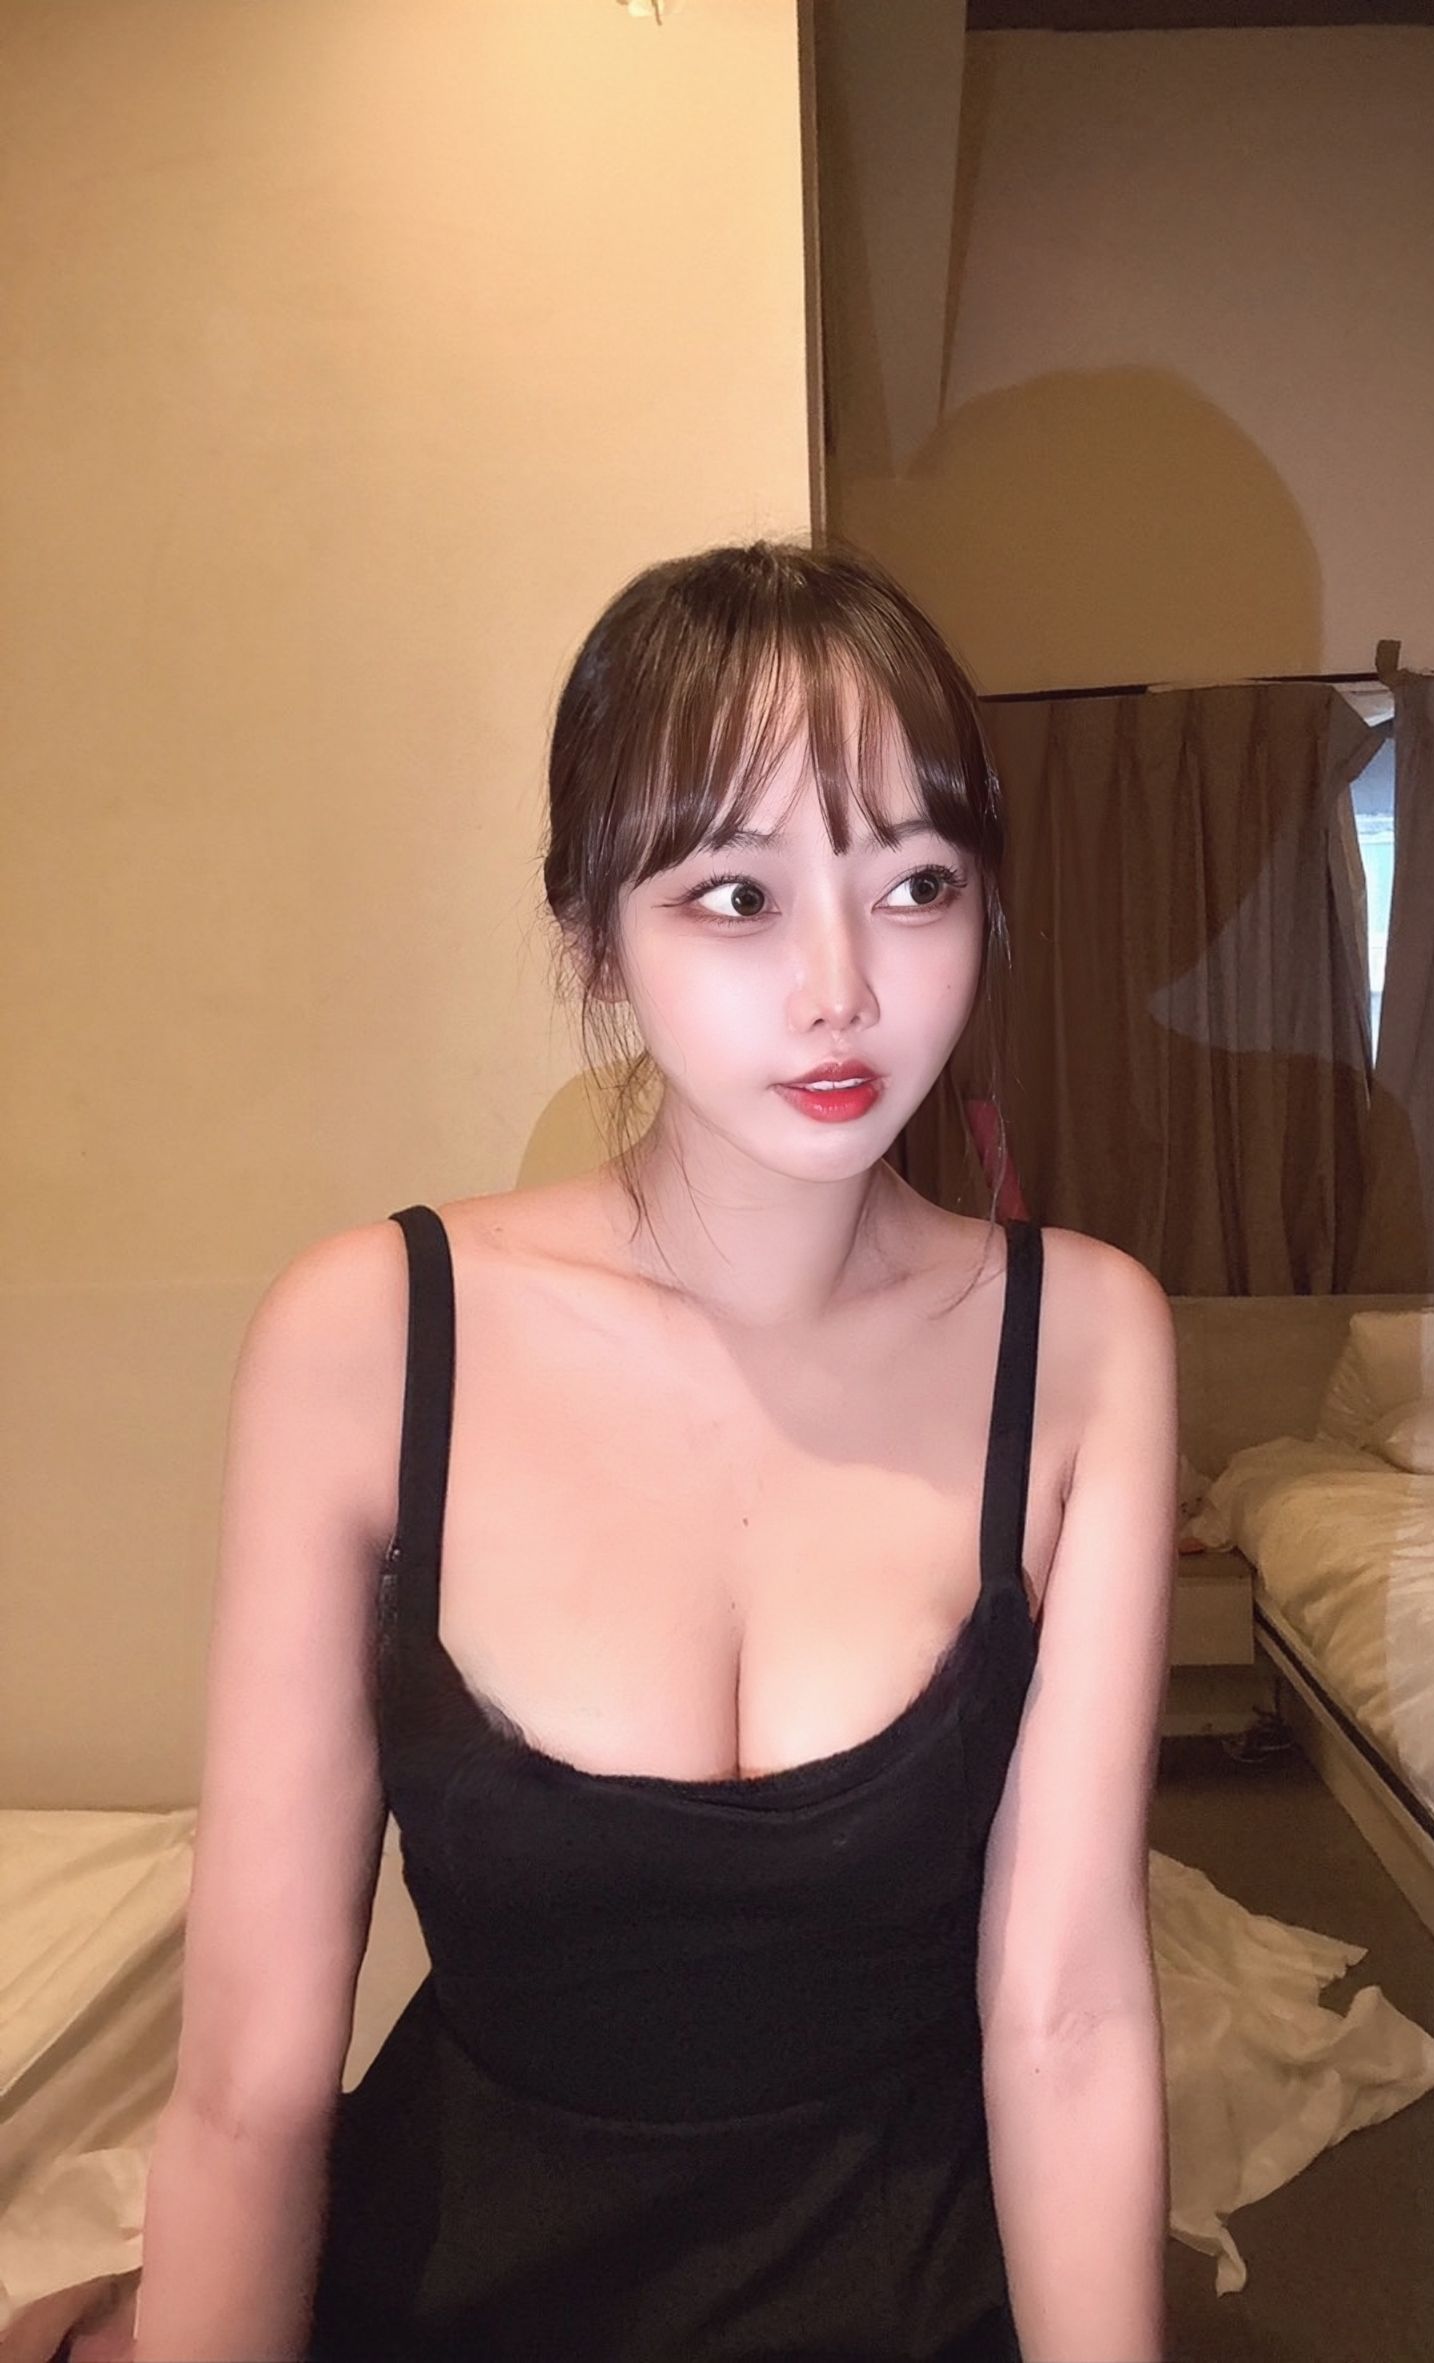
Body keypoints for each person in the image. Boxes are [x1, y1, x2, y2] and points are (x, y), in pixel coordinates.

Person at [129, 540, 1177, 2362]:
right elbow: (245, 2085)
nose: (842, 989)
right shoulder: (370, 1337)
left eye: (915, 883)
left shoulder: (1081, 1340)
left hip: (917, 2299)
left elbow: (1068, 2019)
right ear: (592, 936)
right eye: (735, 896)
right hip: (460, 2293)